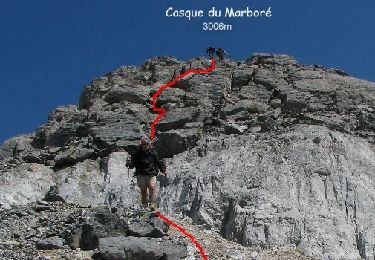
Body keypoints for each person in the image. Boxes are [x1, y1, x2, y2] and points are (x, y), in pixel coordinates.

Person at [126, 137, 166, 210]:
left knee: (152, 187)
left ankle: (152, 205)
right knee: (143, 190)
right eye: (144, 144)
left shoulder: (153, 153)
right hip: (141, 174)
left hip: (151, 174)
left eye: (147, 144)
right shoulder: (137, 154)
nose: (146, 145)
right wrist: (129, 164)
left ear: (149, 144)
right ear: (141, 145)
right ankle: (144, 205)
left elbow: (159, 162)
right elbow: (133, 164)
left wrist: (163, 170)